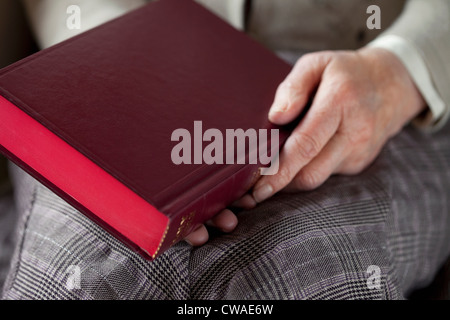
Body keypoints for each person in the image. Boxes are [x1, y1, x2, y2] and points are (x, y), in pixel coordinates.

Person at [1, 0, 449, 299]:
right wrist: (115, 52)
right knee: (81, 276)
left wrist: (401, 69)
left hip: (361, 74)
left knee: (298, 272)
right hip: (122, 70)